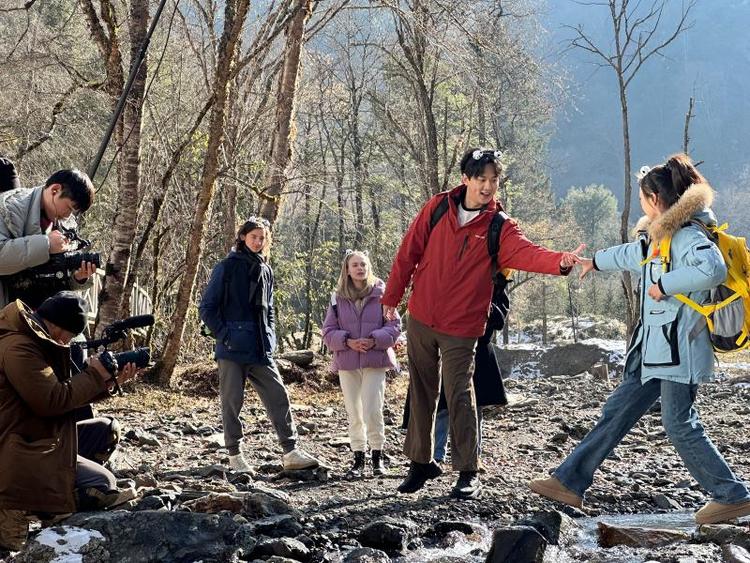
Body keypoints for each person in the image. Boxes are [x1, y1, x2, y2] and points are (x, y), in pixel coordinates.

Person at [529, 154, 750, 525]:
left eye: (643, 198)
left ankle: (732, 495)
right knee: (618, 411)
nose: (642, 205)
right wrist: (594, 261)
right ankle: (569, 481)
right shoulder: (662, 237)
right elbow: (634, 254)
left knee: (679, 423)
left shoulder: (687, 235)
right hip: (653, 352)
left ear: (656, 199)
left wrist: (665, 285)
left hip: (679, 353)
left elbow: (712, 270)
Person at [382, 147, 584, 499]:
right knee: (421, 390)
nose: (488, 186)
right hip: (422, 317)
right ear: (466, 179)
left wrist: (560, 262)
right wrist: (390, 299)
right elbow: (408, 252)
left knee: (460, 394)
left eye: (494, 180)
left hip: (463, 324)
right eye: (482, 179)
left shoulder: (499, 225)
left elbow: (527, 253)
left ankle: (467, 470)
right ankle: (420, 463)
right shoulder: (438, 207)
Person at [0, 292, 137, 551]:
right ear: (57, 325)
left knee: (104, 430)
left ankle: (51, 488)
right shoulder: (19, 347)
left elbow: (60, 396)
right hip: (14, 450)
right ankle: (28, 505)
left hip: (33, 438)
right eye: (70, 335)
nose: (68, 343)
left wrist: (107, 381)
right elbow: (51, 401)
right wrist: (94, 375)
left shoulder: (33, 341)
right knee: (102, 485)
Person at [200, 217, 320, 473]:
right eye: (254, 236)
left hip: (260, 348)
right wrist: (225, 335)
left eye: (262, 238)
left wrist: (270, 337)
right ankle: (235, 456)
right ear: (243, 237)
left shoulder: (266, 270)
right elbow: (207, 308)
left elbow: (270, 309)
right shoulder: (226, 267)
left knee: (278, 396)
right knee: (232, 402)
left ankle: (290, 451)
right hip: (231, 348)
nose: (258, 241)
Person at [322, 250, 401, 478]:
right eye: (355, 265)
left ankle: (378, 457)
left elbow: (395, 326)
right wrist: (347, 341)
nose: (359, 268)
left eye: (363, 264)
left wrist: (374, 339)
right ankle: (358, 459)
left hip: (374, 360)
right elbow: (328, 331)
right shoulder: (337, 298)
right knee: (353, 411)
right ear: (347, 269)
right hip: (347, 361)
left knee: (372, 408)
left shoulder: (382, 294)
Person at [0, 168, 98, 309]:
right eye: (69, 208)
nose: (68, 215)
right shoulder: (9, 206)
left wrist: (76, 278)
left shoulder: (65, 225)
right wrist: (46, 245)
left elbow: (49, 276)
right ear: (55, 190)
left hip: (33, 314)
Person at [433, 324, 506, 467]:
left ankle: (473, 458)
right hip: (448, 348)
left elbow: (498, 320)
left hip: (478, 351)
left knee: (473, 408)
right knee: (443, 407)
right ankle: (436, 455)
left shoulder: (490, 301)